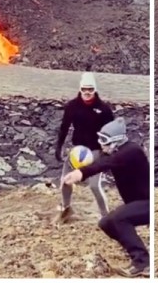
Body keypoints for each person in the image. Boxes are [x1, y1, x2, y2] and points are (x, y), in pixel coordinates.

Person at [62, 117, 150, 277]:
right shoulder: (114, 152)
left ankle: (143, 263)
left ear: (117, 140)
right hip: (137, 203)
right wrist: (77, 169)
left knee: (118, 219)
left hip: (148, 203)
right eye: (99, 138)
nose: (100, 143)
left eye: (104, 140)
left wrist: (80, 173)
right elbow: (98, 163)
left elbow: (106, 163)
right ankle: (135, 250)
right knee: (106, 223)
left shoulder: (131, 151)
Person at [55, 72, 114, 221]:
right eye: (84, 89)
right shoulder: (72, 107)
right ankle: (66, 208)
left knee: (94, 185)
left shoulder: (104, 109)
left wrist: (108, 152)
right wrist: (59, 147)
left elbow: (111, 132)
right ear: (80, 89)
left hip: (95, 151)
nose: (87, 92)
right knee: (65, 181)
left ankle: (105, 216)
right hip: (77, 150)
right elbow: (64, 127)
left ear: (95, 89)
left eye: (90, 89)